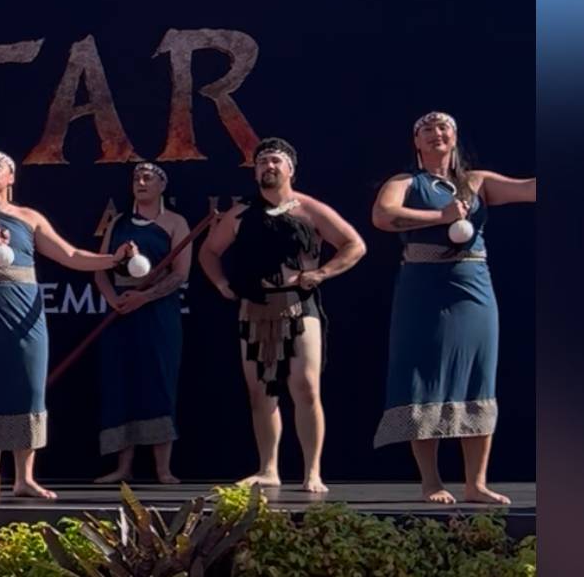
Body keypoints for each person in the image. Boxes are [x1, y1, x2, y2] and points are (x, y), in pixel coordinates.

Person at [0, 150, 136, 500]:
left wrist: (114, 260)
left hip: (24, 313)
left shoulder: (29, 218)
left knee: (28, 387)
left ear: (11, 178)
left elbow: (70, 255)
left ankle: (24, 478)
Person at [371, 111, 534, 505]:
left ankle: (475, 483)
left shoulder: (476, 181)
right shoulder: (405, 182)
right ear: (417, 142)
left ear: (455, 137)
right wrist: (438, 215)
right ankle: (431, 481)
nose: (435, 134)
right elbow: (383, 216)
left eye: (442, 128)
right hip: (423, 286)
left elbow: (529, 189)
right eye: (426, 130)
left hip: (473, 286)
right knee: (422, 375)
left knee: (478, 374)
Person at [198, 137, 365, 493]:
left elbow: (354, 244)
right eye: (262, 163)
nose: (268, 167)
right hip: (255, 308)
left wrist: (321, 274)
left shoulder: (309, 209)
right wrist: (223, 285)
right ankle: (268, 468)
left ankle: (312, 472)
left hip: (298, 305)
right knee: (261, 392)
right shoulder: (240, 214)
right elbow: (209, 252)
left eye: (275, 161)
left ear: (290, 168)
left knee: (305, 387)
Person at [93, 162, 193, 484]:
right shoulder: (118, 223)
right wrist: (113, 300)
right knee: (121, 383)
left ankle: (163, 468)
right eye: (136, 177)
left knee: (158, 381)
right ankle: (123, 467)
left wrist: (144, 298)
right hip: (120, 311)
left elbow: (180, 274)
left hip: (157, 313)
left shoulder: (176, 223)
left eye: (149, 177)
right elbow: (100, 268)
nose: (141, 181)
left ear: (163, 185)